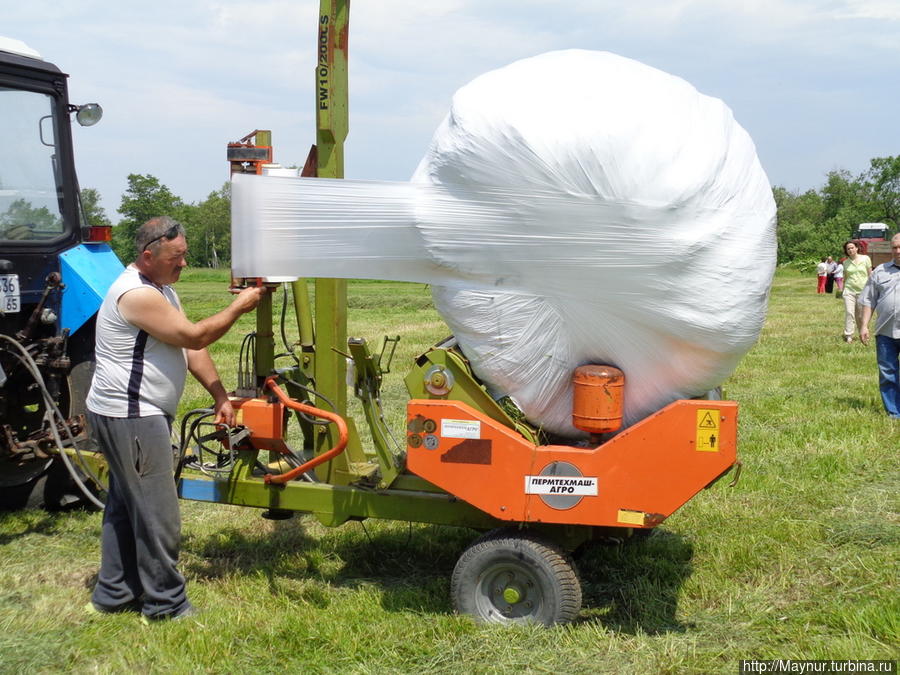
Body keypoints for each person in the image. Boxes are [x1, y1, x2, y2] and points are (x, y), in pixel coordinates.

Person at [85, 216, 265, 620]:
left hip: (131, 415)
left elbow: (188, 345)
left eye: (184, 256)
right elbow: (196, 336)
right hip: (131, 416)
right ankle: (165, 604)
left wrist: (220, 394)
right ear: (148, 256)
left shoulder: (161, 288)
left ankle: (113, 595)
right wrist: (239, 305)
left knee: (125, 504)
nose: (183, 264)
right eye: (176, 257)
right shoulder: (136, 294)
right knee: (155, 511)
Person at [859, 233, 900, 419]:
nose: (897, 251)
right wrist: (864, 326)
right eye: (894, 247)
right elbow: (869, 300)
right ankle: (893, 412)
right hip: (885, 332)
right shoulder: (880, 271)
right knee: (888, 373)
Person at [841, 240, 873, 343]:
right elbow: (845, 277)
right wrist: (842, 289)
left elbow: (870, 274)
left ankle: (862, 333)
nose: (850, 250)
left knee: (860, 315)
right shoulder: (845, 262)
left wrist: (872, 288)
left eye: (852, 248)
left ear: (857, 248)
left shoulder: (865, 259)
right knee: (849, 312)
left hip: (863, 291)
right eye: (848, 249)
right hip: (849, 290)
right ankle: (849, 335)